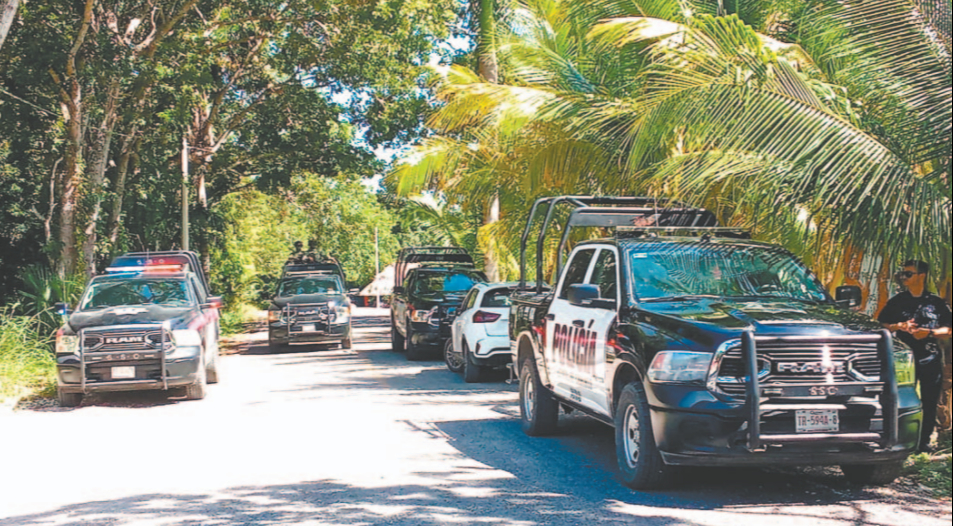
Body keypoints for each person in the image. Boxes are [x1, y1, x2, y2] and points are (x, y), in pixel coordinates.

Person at [878, 260, 953, 453]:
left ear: (921, 276)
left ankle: (923, 443)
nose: (904, 278)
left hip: (929, 356)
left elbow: (948, 329)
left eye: (909, 274)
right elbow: (881, 323)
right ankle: (898, 440)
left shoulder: (935, 303)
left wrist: (929, 333)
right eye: (903, 274)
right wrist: (900, 326)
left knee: (929, 400)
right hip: (903, 360)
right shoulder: (898, 301)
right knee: (900, 398)